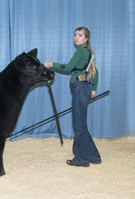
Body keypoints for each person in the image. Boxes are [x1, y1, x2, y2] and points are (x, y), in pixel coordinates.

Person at [43, 27, 101, 167]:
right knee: (81, 124)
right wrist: (93, 89)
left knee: (79, 125)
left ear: (86, 38)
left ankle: (81, 159)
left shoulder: (82, 50)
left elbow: (69, 68)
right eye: (75, 35)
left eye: (80, 35)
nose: (76, 37)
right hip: (83, 87)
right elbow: (95, 72)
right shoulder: (87, 52)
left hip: (79, 87)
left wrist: (52, 64)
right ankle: (93, 155)